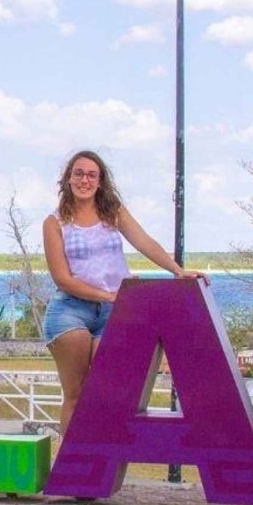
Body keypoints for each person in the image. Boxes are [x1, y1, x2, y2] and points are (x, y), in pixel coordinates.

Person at [42, 149, 206, 432]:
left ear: (101, 181)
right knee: (76, 394)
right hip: (70, 311)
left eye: (92, 175)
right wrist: (108, 295)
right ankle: (70, 470)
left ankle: (98, 455)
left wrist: (177, 270)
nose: (85, 180)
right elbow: (62, 279)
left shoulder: (112, 212)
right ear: (68, 179)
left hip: (112, 313)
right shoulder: (54, 223)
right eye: (79, 173)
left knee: (107, 389)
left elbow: (144, 241)